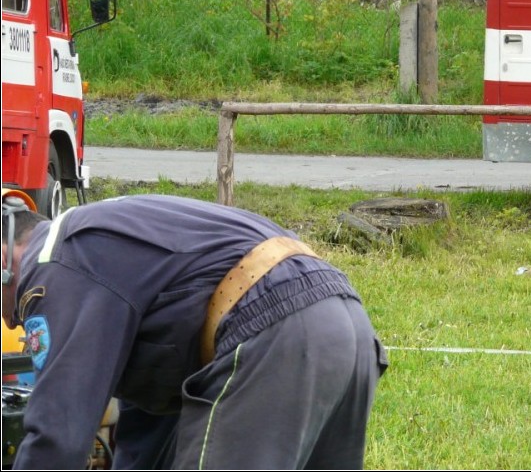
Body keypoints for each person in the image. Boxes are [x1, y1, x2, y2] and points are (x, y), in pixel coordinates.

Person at [1, 192, 386, 469]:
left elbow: (58, 436)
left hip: (275, 328)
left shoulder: (53, 263)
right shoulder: (104, 247)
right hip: (342, 322)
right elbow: (150, 425)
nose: (11, 323)